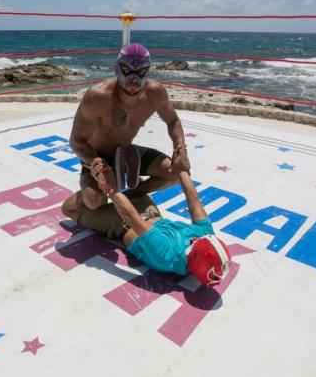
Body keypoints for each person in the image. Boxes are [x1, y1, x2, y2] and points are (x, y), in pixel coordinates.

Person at [61, 165, 231, 287]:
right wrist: (182, 170)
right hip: (145, 211)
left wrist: (107, 188)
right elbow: (193, 200)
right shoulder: (205, 236)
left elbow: (130, 216)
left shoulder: (168, 256)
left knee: (69, 209)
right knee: (155, 175)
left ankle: (102, 186)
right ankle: (116, 168)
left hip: (123, 223)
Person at [69, 43, 190, 211]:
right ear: (117, 68)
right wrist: (97, 164)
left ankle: (129, 195)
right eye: (127, 71)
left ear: (148, 71)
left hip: (126, 151)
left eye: (140, 72)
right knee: (95, 201)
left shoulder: (155, 93)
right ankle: (83, 195)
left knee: (177, 174)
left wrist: (180, 150)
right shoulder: (98, 97)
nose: (133, 80)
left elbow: (173, 121)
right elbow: (77, 141)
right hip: (96, 155)